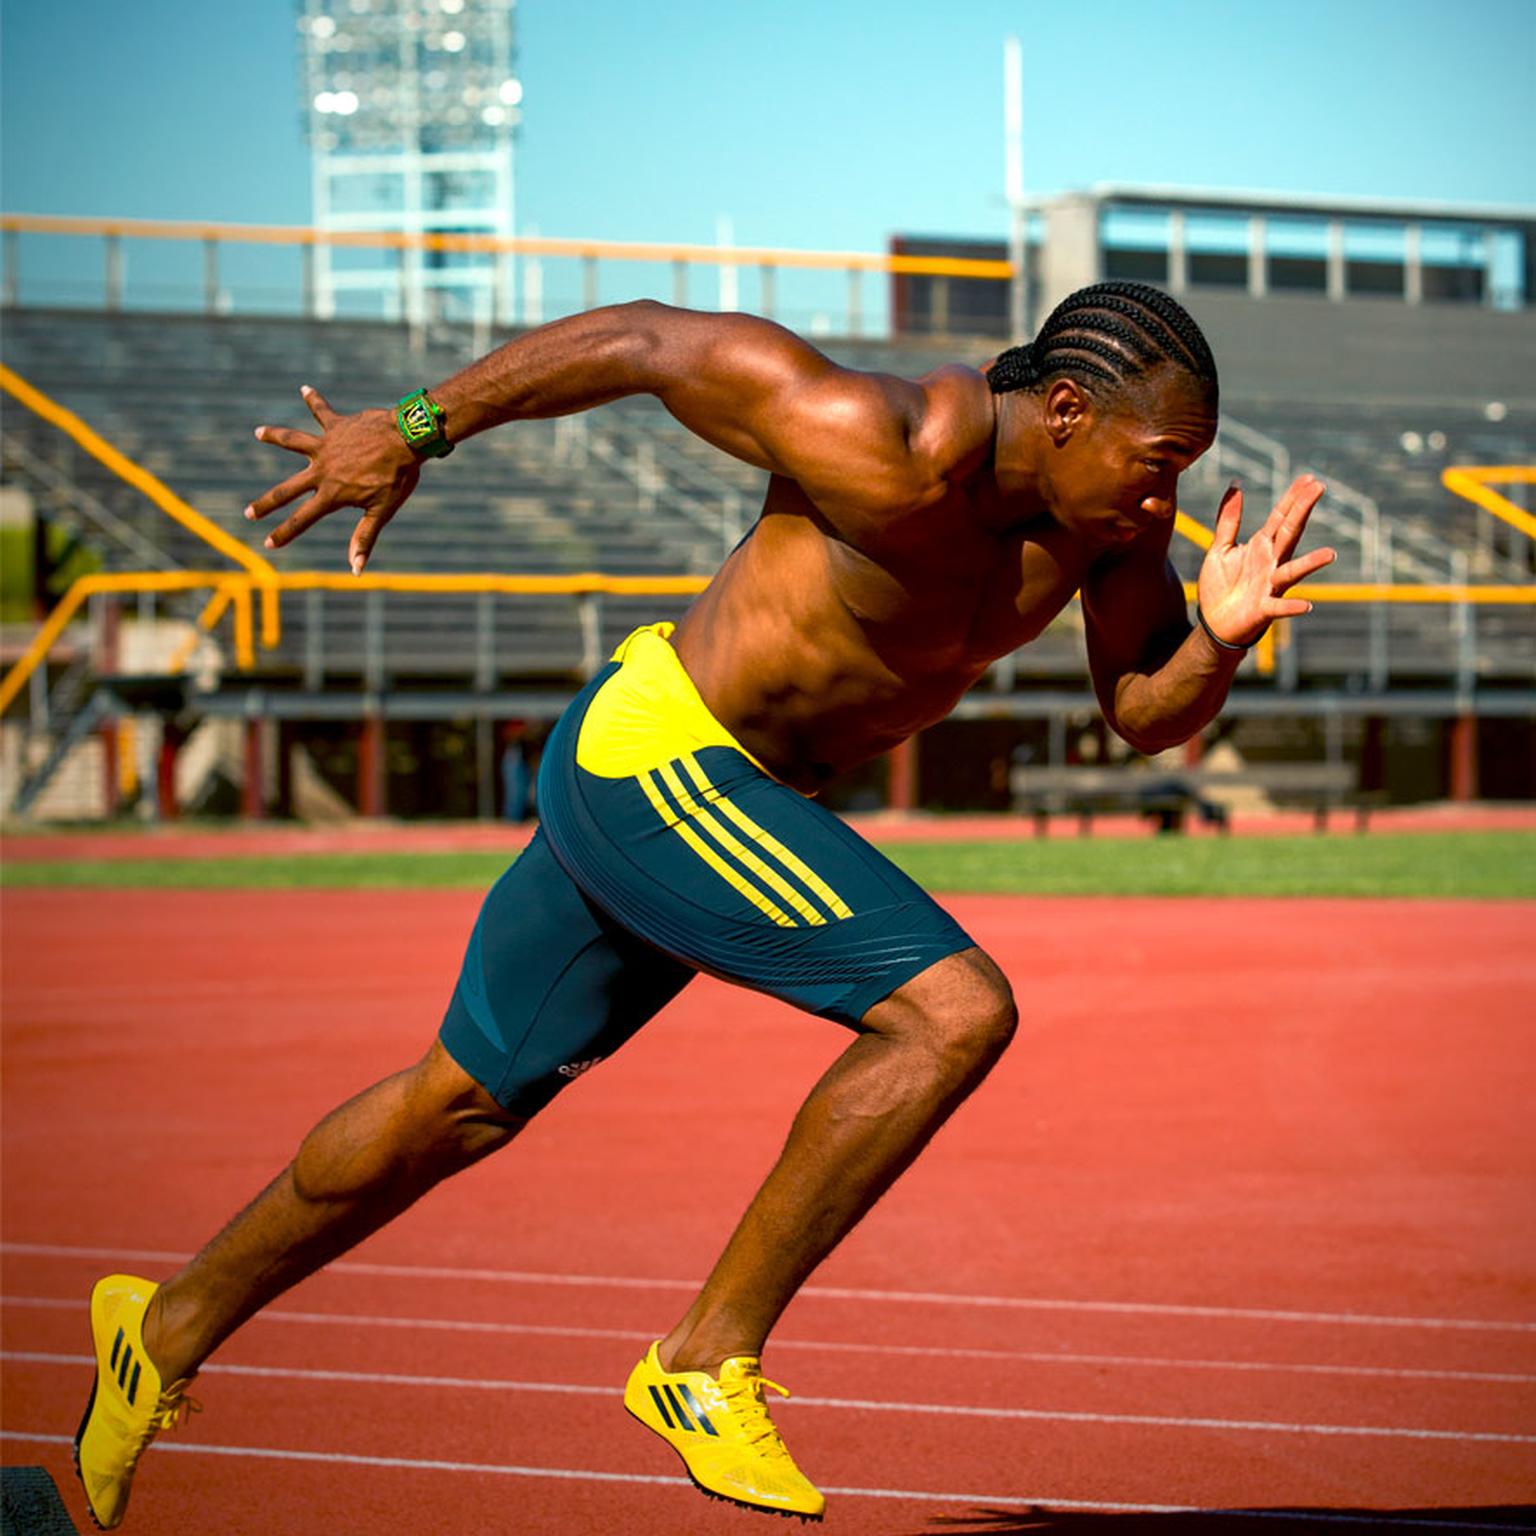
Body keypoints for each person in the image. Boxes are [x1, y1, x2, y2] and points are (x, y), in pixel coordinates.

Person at [74, 281, 1333, 1527]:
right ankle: (699, 1361)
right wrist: (407, 429)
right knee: (951, 1015)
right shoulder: (877, 436)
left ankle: (160, 1327)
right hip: (663, 759)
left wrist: (1216, 639)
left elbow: (1142, 716)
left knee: (456, 1104)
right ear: (1065, 408)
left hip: (708, 798)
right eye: (1160, 460)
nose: (1167, 495)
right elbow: (640, 341)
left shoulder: (1110, 534)